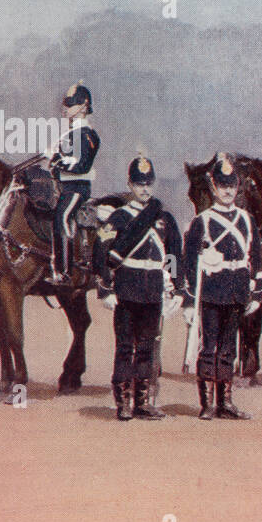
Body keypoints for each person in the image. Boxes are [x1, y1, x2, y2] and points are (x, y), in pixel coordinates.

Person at [94, 155, 183, 421]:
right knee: (124, 347)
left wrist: (176, 289)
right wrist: (105, 289)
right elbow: (100, 252)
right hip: (127, 288)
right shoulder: (119, 218)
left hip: (153, 290)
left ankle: (142, 402)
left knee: (146, 347)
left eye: (148, 183)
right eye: (139, 183)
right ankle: (122, 403)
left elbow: (174, 256)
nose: (144, 189)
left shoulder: (164, 219)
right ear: (130, 185)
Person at [182, 155, 262, 420]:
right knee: (208, 348)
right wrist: (188, 300)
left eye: (232, 185)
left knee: (229, 347)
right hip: (211, 291)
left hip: (237, 290)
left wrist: (257, 292)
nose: (228, 190)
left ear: (238, 186)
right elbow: (188, 263)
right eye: (222, 185)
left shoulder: (247, 220)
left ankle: (225, 403)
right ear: (213, 188)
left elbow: (257, 258)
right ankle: (207, 404)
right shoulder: (202, 221)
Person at [47, 82, 100, 284]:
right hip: (63, 186)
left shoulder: (88, 135)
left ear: (84, 106)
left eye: (70, 104)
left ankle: (64, 271)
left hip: (77, 188)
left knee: (62, 217)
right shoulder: (68, 135)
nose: (65, 108)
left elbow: (82, 166)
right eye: (65, 104)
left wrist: (57, 159)